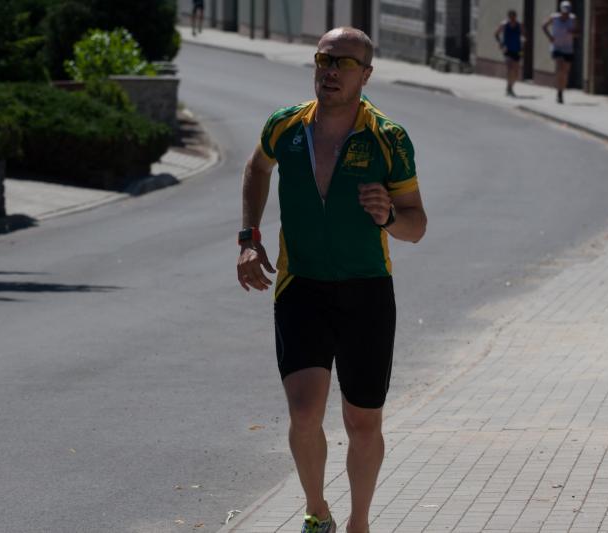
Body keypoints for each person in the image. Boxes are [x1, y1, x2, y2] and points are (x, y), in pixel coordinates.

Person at [236, 27, 427, 533]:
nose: (331, 71)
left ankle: (359, 522)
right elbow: (256, 168)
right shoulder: (286, 126)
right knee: (304, 414)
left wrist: (389, 216)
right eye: (324, 60)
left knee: (362, 420)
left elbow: (417, 225)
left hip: (367, 290)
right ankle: (316, 511)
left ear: (366, 74)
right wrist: (249, 238)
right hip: (301, 286)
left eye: (344, 63)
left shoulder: (388, 138)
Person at [542, 0, 580, 104]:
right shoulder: (554, 17)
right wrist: (550, 37)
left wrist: (573, 32)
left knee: (565, 72)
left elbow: (578, 32)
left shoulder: (573, 18)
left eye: (567, 12)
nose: (565, 14)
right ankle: (559, 93)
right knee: (559, 69)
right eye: (564, 12)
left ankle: (561, 90)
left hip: (568, 48)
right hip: (557, 47)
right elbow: (544, 26)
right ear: (561, 10)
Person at [494, 10, 524, 97]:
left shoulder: (519, 25)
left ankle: (511, 86)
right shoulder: (504, 25)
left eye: (513, 17)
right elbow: (496, 34)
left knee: (516, 72)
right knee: (509, 68)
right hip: (507, 49)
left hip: (518, 50)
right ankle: (509, 87)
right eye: (510, 17)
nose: (512, 19)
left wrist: (523, 45)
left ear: (516, 17)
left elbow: (524, 36)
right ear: (508, 17)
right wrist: (500, 43)